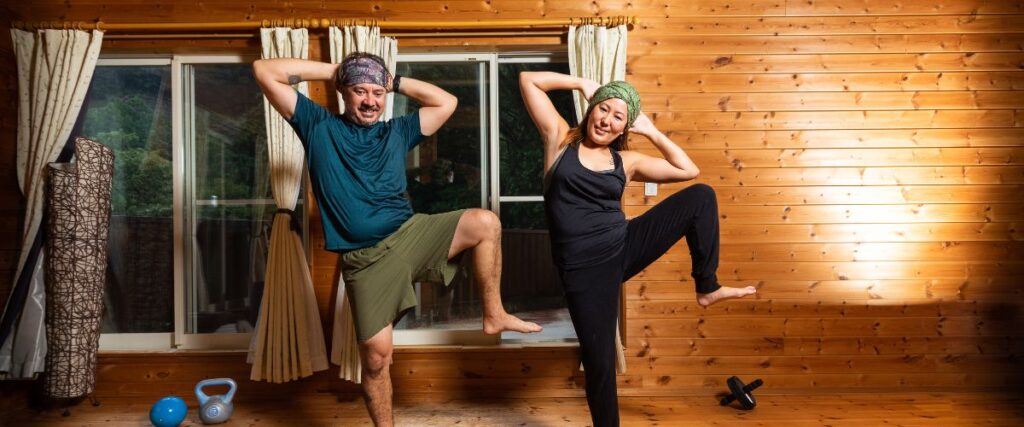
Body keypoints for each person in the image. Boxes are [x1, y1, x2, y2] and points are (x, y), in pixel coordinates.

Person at [254, 53, 542, 426]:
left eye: (378, 92)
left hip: (409, 235)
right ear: (344, 92)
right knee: (375, 358)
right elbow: (264, 71)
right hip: (365, 260)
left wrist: (396, 80)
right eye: (360, 90)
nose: (370, 100)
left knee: (485, 222)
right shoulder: (317, 125)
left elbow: (447, 102)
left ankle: (493, 314)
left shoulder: (397, 131)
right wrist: (336, 69)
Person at [519, 71, 757, 426]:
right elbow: (528, 80)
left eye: (618, 117)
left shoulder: (626, 163)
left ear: (623, 129)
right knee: (599, 363)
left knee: (701, 196)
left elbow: (688, 169)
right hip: (582, 271)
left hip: (622, 244)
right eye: (603, 109)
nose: (607, 119)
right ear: (591, 110)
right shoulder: (559, 139)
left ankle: (706, 286)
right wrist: (583, 83)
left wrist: (652, 132)